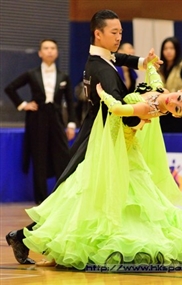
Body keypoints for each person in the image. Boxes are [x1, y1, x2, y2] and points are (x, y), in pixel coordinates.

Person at [5, 9, 162, 265]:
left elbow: (117, 57)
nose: (119, 37)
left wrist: (144, 62)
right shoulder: (105, 72)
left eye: (121, 32)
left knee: (88, 196)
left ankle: (29, 238)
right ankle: (23, 237)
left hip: (100, 133)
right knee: (73, 195)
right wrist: (145, 114)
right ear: (98, 34)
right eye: (114, 32)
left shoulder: (97, 59)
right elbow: (120, 108)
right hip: (97, 139)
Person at [21, 59, 182, 270]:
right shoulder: (162, 92)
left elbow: (120, 110)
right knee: (82, 192)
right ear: (180, 91)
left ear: (176, 114)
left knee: (110, 197)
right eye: (179, 97)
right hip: (108, 145)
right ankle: (58, 251)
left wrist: (103, 95)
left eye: (177, 107)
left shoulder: (150, 108)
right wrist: (148, 63)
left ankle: (101, 247)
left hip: (118, 150)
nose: (173, 101)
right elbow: (155, 79)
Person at [4, 39, 76, 205]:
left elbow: (70, 102)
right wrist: (24, 105)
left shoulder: (63, 76)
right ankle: (41, 201)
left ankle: (63, 197)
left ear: (57, 52)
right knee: (39, 158)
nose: (50, 51)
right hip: (37, 119)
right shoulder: (32, 74)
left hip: (57, 119)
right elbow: (10, 88)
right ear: (40, 53)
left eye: (52, 48)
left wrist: (71, 124)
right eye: (46, 48)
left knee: (62, 157)